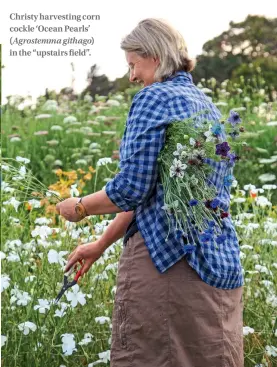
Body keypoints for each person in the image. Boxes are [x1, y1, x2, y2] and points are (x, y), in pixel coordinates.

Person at [56, 18, 244, 367]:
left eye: (133, 65)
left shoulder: (153, 98)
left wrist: (79, 206)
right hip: (218, 264)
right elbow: (159, 192)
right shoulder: (205, 104)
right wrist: (100, 244)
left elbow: (129, 189)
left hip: (167, 265)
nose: (131, 77)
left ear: (155, 56)